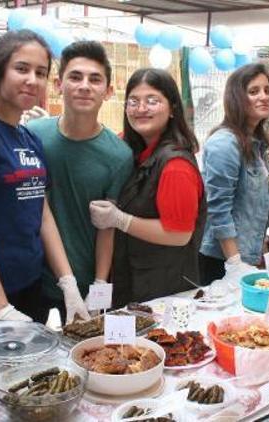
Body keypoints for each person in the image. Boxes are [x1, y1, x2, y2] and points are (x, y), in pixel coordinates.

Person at [0, 30, 90, 331]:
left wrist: (67, 282)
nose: (32, 80)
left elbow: (42, 213)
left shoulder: (29, 138)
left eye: (41, 72)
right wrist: (2, 308)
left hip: (30, 283)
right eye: (22, 69)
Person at [26, 41, 133, 323]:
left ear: (108, 91)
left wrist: (99, 285)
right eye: (75, 77)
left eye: (95, 79)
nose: (84, 86)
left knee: (83, 358)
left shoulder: (119, 155)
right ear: (59, 84)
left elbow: (106, 227)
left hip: (85, 278)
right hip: (31, 276)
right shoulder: (32, 136)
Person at [88, 68, 204, 307]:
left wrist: (121, 220)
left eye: (152, 101)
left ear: (172, 108)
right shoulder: (131, 148)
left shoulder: (176, 166)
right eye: (134, 101)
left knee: (154, 343)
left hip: (164, 289)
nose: (141, 109)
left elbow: (180, 234)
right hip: (131, 279)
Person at [198, 63, 269, 284]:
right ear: (236, 98)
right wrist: (234, 262)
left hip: (246, 255)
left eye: (267, 90)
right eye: (254, 91)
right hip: (221, 260)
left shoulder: (256, 143)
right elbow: (219, 208)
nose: (264, 96)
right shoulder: (225, 143)